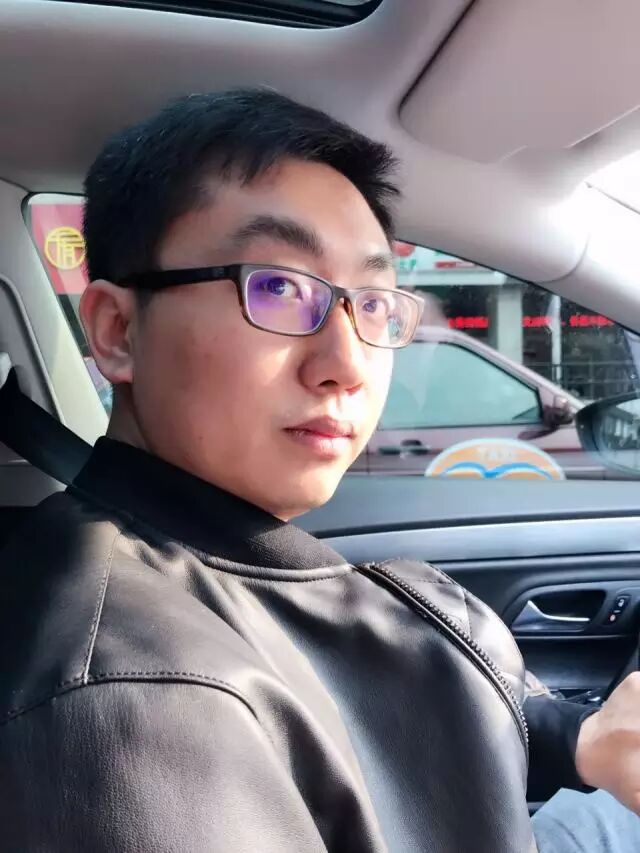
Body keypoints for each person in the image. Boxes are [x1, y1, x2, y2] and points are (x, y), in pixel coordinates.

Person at [0, 88, 639, 852]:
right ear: (117, 332)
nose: (347, 364)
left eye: (371, 304)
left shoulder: (218, 557)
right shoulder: (134, 703)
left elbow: (383, 710)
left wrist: (584, 738)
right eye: (277, 286)